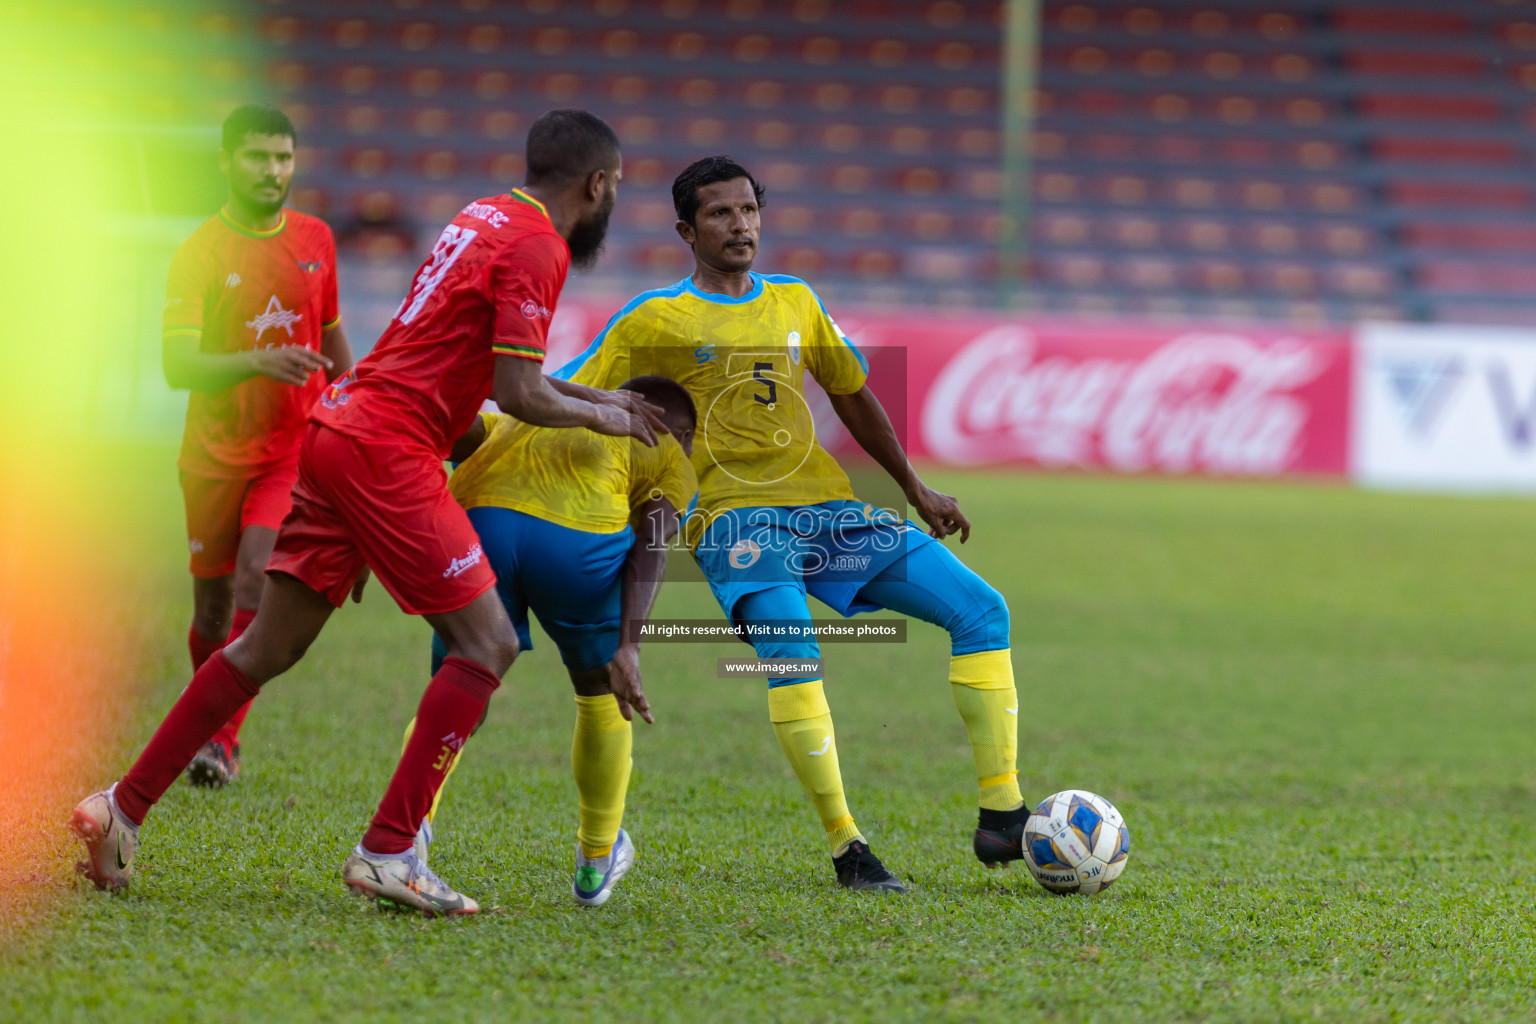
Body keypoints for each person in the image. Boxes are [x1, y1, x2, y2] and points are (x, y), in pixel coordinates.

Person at [70, 109, 666, 917]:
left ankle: (119, 808)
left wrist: (600, 398)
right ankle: (389, 850)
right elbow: (516, 389)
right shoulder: (539, 246)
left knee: (262, 646)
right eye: (618, 187)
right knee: (488, 642)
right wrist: (607, 419)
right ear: (597, 184)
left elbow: (460, 364)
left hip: (337, 425)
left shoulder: (481, 216)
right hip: (385, 448)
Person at [555, 156, 1023, 893]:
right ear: (686, 229)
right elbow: (568, 382)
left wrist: (913, 486)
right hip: (735, 523)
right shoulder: (653, 319)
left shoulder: (797, 300)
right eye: (720, 214)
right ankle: (849, 850)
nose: (740, 225)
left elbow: (854, 393)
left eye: (748, 211)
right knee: (795, 655)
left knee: (982, 611)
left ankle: (1002, 813)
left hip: (828, 511)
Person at [406, 374, 697, 908]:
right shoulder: (669, 453)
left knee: (460, 684)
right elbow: (652, 544)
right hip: (575, 547)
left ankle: (406, 834)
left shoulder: (523, 416)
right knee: (600, 692)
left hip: (482, 528)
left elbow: (452, 434)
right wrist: (628, 647)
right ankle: (595, 860)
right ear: (680, 432)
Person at [161, 104, 354, 788]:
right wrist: (255, 361)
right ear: (226, 161)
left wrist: (357, 406)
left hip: (288, 451)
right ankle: (204, 723)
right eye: (256, 157)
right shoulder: (200, 253)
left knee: (253, 578)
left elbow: (332, 342)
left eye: (282, 157)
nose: (272, 170)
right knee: (211, 609)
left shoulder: (317, 239)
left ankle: (223, 742)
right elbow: (177, 366)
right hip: (210, 457)